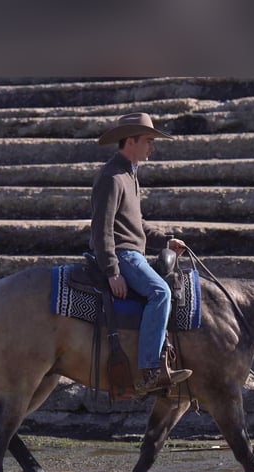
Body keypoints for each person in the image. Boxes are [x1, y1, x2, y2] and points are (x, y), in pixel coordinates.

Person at [90, 112, 193, 394]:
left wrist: (165, 241)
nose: (152, 147)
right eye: (148, 141)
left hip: (133, 252)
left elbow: (138, 224)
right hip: (124, 255)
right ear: (131, 141)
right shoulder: (112, 176)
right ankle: (151, 368)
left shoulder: (129, 175)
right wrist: (112, 271)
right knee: (161, 292)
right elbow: (102, 228)